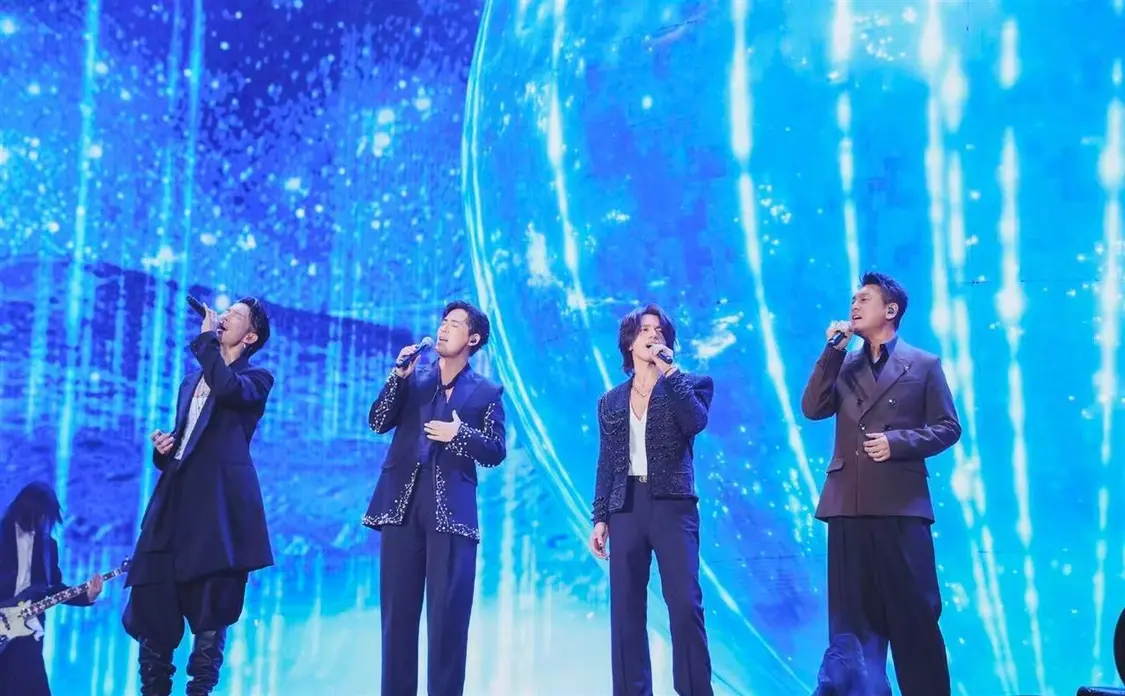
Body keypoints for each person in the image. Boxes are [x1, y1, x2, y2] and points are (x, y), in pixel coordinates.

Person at [800, 271, 961, 696]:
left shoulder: (923, 363)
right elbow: (812, 408)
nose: (854, 305)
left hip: (900, 507)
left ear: (890, 310)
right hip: (847, 506)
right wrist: (832, 351)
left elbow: (949, 427)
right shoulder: (844, 363)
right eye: (853, 299)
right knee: (851, 631)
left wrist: (898, 443)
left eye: (864, 299)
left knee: (915, 620)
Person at [122, 297, 275, 696]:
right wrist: (165, 449)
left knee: (211, 607)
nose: (223, 317)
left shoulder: (257, 379)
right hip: (174, 502)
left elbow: (227, 388)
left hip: (216, 512)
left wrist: (207, 341)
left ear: (251, 336)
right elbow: (188, 440)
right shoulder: (191, 381)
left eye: (234, 315)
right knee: (153, 603)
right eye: (224, 312)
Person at [363, 300, 507, 696]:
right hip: (402, 506)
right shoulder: (415, 378)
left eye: (455, 324)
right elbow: (378, 421)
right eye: (443, 322)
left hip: (451, 514)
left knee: (447, 622)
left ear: (473, 339)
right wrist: (398, 376)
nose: (444, 329)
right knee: (397, 620)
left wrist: (460, 435)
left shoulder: (487, 391)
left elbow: (496, 451)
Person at [588, 304, 715, 696]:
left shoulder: (690, 384)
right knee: (625, 609)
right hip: (625, 506)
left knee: (685, 604)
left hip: (673, 506)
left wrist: (669, 372)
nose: (652, 335)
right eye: (644, 329)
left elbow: (695, 422)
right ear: (629, 342)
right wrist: (600, 517)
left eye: (659, 330)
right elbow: (607, 461)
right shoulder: (610, 400)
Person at [0, 482, 103, 696]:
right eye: (40, 515)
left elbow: (53, 588)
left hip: (28, 630)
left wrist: (87, 596)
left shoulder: (48, 546)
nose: (43, 521)